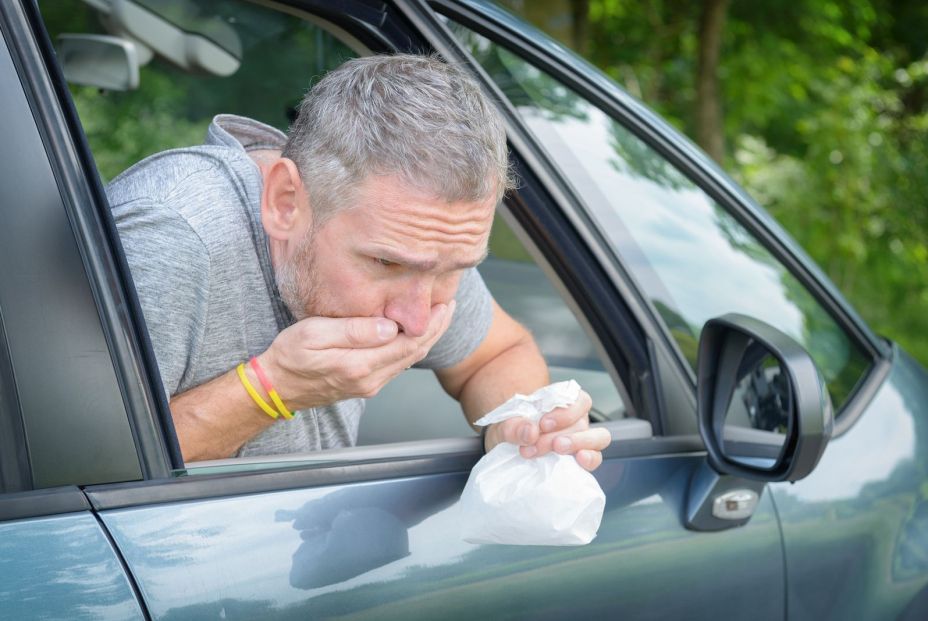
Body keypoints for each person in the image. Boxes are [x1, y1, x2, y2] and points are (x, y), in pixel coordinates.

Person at [107, 54, 611, 467]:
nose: (416, 320)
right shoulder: (173, 234)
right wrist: (271, 389)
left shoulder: (421, 240)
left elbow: (497, 354)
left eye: (454, 269)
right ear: (286, 201)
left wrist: (518, 424)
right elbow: (67, 477)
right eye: (387, 265)